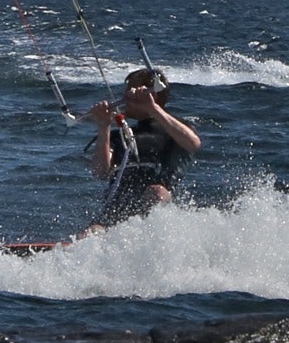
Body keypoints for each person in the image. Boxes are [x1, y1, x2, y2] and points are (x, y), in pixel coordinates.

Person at [83, 68, 201, 233]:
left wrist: (152, 108)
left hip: (156, 207)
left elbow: (193, 144)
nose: (124, 98)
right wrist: (104, 127)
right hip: (118, 209)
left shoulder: (175, 129)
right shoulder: (118, 136)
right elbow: (100, 172)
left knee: (156, 192)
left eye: (131, 94)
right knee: (91, 232)